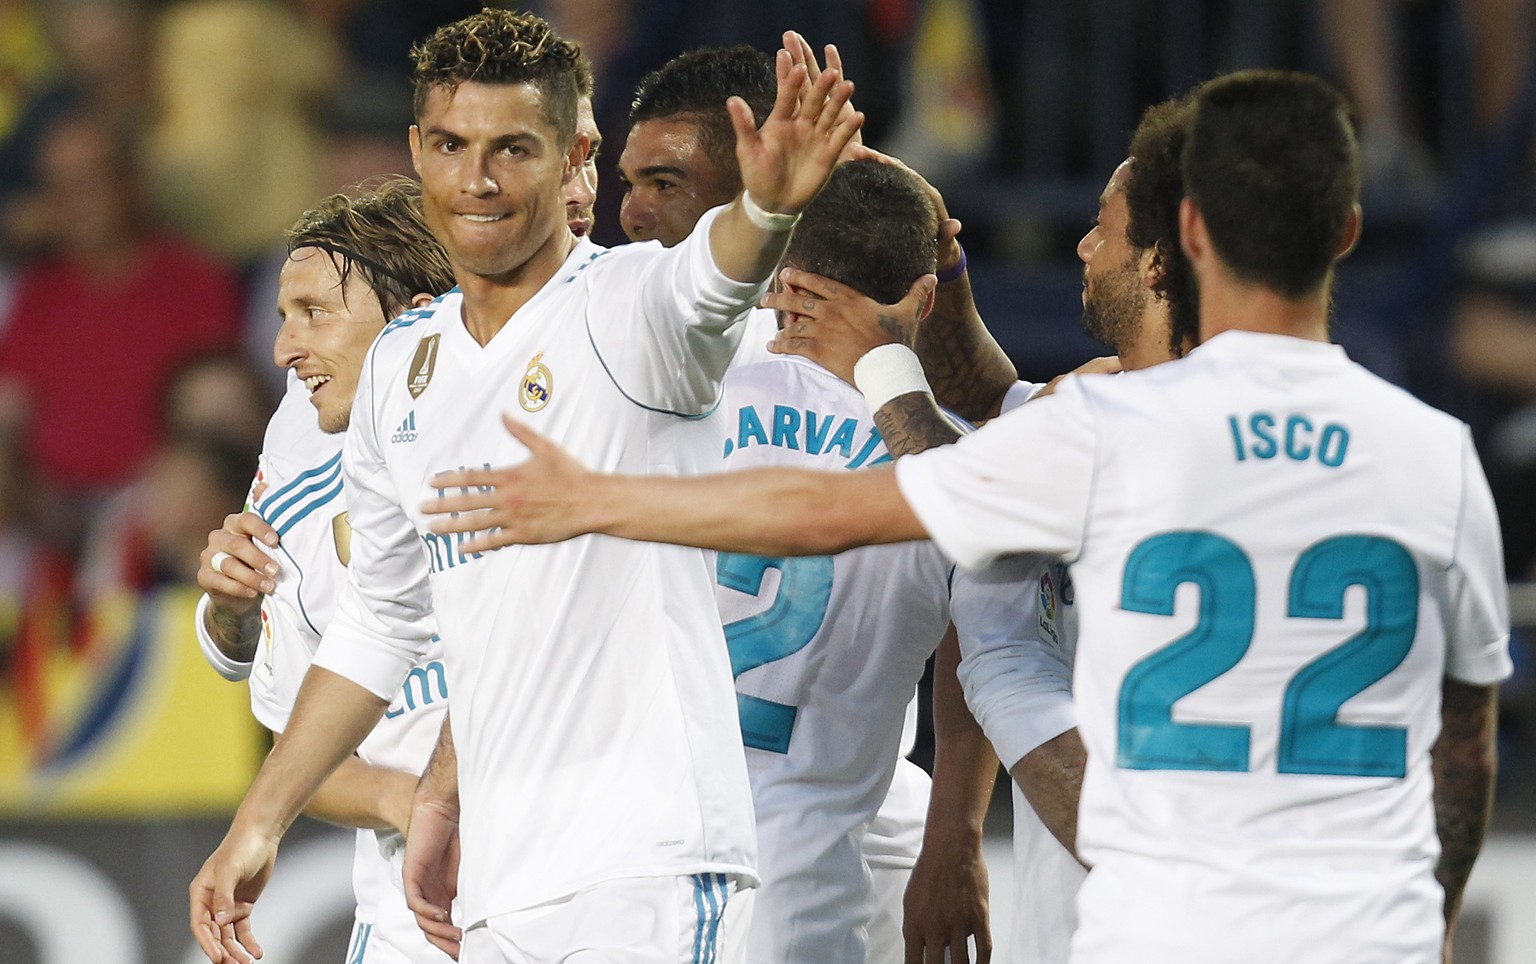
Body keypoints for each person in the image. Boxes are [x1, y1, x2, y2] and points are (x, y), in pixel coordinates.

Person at [423, 70, 1509, 963]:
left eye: (1100, 227)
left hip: (1162, 920)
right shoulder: (1438, 459)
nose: (1083, 247)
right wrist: (1433, 923)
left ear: (1185, 232)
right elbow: (1465, 750)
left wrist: (598, 497)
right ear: (1351, 231)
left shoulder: (1114, 428)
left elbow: (840, 510)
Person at [189, 9, 862, 964]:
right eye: (454, 146)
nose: (479, 180)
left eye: (514, 147)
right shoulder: (398, 369)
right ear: (417, 151)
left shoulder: (628, 309)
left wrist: (765, 213)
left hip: (647, 870)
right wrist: (258, 823)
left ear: (576, 152)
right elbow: (381, 621)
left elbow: (710, 284)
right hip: (493, 881)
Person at [618, 47, 997, 963]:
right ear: (921, 294)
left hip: (628, 868)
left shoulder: (667, 375)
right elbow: (990, 621)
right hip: (797, 892)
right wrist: (959, 836)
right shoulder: (951, 459)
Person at [193, 177, 457, 964]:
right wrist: (397, 798)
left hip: (575, 873)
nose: (282, 348)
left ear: (413, 316)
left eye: (314, 313)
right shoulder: (301, 440)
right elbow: (286, 714)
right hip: (409, 918)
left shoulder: (533, 423)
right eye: (282, 316)